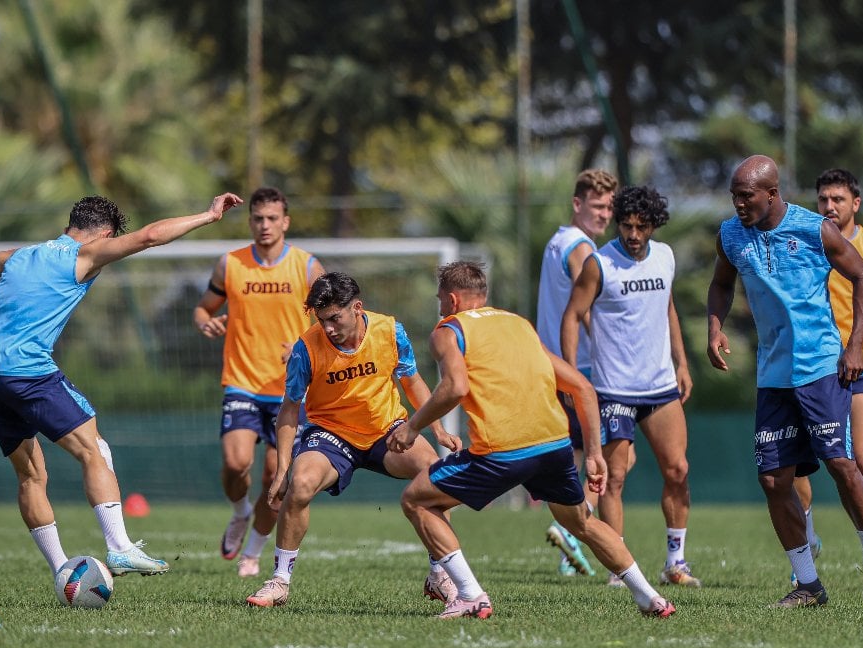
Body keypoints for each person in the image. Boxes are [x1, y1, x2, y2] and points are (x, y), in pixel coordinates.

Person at [0, 193, 243, 583]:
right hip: (27, 373)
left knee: (31, 477)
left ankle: (63, 572)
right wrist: (208, 215)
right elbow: (150, 236)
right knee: (94, 450)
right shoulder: (84, 255)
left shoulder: (21, 255)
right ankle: (119, 548)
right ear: (105, 235)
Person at [389, 261, 675, 619]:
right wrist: (593, 454)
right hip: (554, 444)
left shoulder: (448, 331)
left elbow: (455, 387)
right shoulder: (519, 325)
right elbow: (582, 388)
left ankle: (470, 595)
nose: (441, 307)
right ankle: (651, 598)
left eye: (440, 300)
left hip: (502, 450)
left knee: (416, 500)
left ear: (452, 299)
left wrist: (412, 427)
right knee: (581, 523)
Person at [707, 154, 863, 608]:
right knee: (773, 480)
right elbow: (722, 283)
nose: (738, 204)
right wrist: (714, 327)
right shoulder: (730, 235)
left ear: (772, 194)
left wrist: (855, 345)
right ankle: (808, 584)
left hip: (820, 366)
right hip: (773, 375)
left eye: (746, 196)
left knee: (841, 464)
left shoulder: (815, 229)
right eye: (733, 197)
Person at [246, 272, 460, 608]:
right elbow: (289, 410)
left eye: (334, 318)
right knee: (300, 485)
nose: (328, 328)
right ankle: (279, 581)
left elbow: (412, 381)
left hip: (386, 429)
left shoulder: (390, 331)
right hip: (331, 433)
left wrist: (439, 430)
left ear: (357, 308)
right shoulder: (306, 348)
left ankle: (439, 574)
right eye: (322, 320)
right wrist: (282, 469)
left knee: (435, 475)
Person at [560, 185, 699, 589]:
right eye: (626, 225)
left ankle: (675, 563)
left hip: (660, 386)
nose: (633, 234)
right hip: (614, 390)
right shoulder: (599, 264)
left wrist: (682, 362)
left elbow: (668, 308)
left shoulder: (666, 256)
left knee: (678, 470)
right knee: (614, 478)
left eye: (641, 226)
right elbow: (572, 316)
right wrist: (571, 375)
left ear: (655, 224)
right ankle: (619, 568)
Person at [194, 187, 324, 577]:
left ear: (285, 222)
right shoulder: (230, 264)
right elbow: (203, 308)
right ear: (250, 221)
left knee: (275, 477)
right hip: (242, 381)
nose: (264, 225)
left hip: (290, 389)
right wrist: (206, 322)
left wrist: (302, 348)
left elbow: (330, 323)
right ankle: (239, 512)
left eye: (272, 218)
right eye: (258, 218)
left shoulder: (306, 267)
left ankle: (252, 552)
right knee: (236, 463)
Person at [790, 169, 863, 588]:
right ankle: (806, 536)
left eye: (838, 199)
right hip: (813, 365)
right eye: (823, 199)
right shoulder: (808, 241)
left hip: (862, 367)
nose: (829, 206)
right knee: (795, 466)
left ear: (855, 203)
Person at [535, 168, 619, 578]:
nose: (605, 214)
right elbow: (586, 310)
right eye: (597, 206)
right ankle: (572, 526)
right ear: (577, 203)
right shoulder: (582, 248)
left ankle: (569, 544)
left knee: (575, 459)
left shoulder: (556, 240)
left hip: (550, 364)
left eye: (609, 207)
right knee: (615, 458)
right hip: (581, 367)